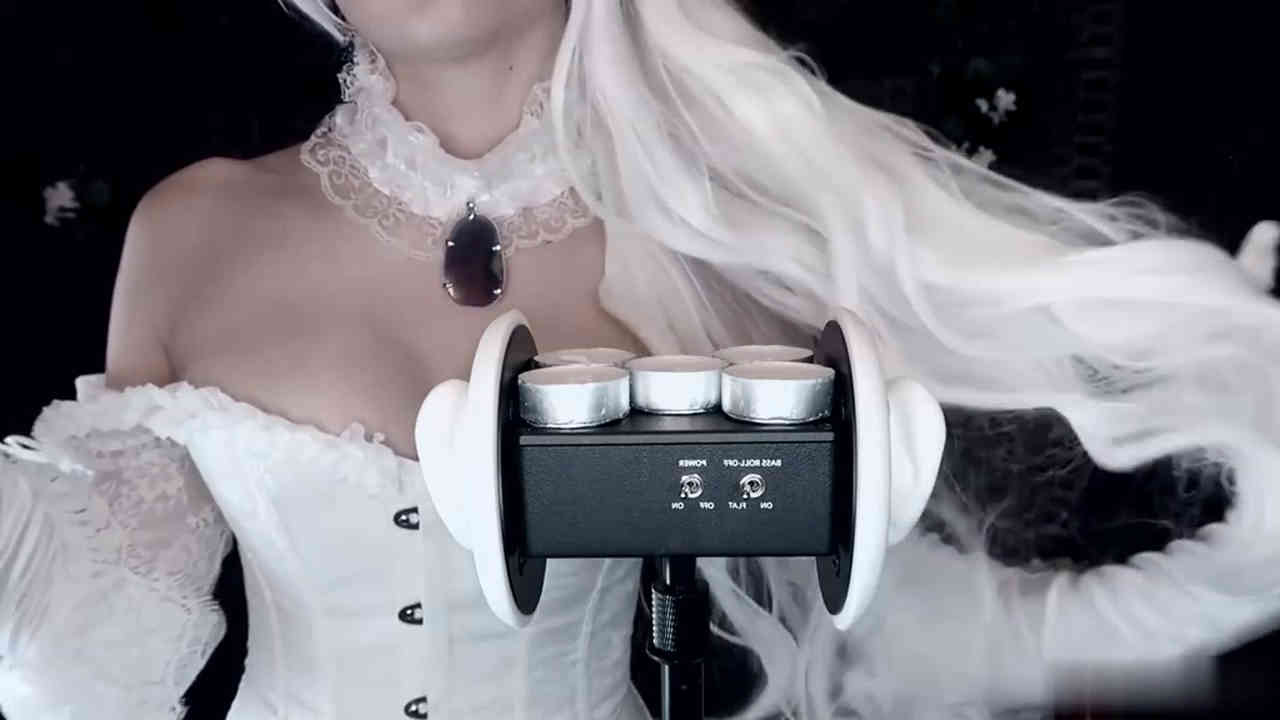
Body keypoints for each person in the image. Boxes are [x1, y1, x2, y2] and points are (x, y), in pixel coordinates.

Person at [2, 1, 1277, 718]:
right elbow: (86, 664)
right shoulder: (196, 228)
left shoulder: (719, 245)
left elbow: (922, 637)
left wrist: (1245, 556)